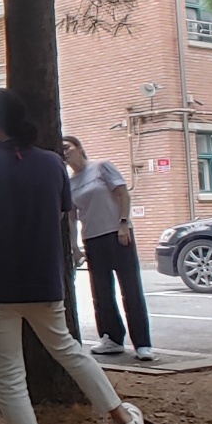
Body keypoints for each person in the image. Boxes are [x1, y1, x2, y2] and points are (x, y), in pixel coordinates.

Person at [0, 88, 148, 424]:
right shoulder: (51, 164)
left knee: (10, 372)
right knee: (69, 350)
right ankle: (126, 420)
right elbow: (63, 212)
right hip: (44, 279)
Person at [63, 136, 155, 361]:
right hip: (92, 238)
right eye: (61, 150)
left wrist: (123, 223)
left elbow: (122, 193)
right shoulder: (70, 182)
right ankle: (111, 338)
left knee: (130, 288)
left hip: (117, 234)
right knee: (101, 291)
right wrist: (75, 246)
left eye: (67, 147)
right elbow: (72, 218)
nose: (65, 153)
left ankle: (142, 343)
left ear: (79, 148)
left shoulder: (101, 167)